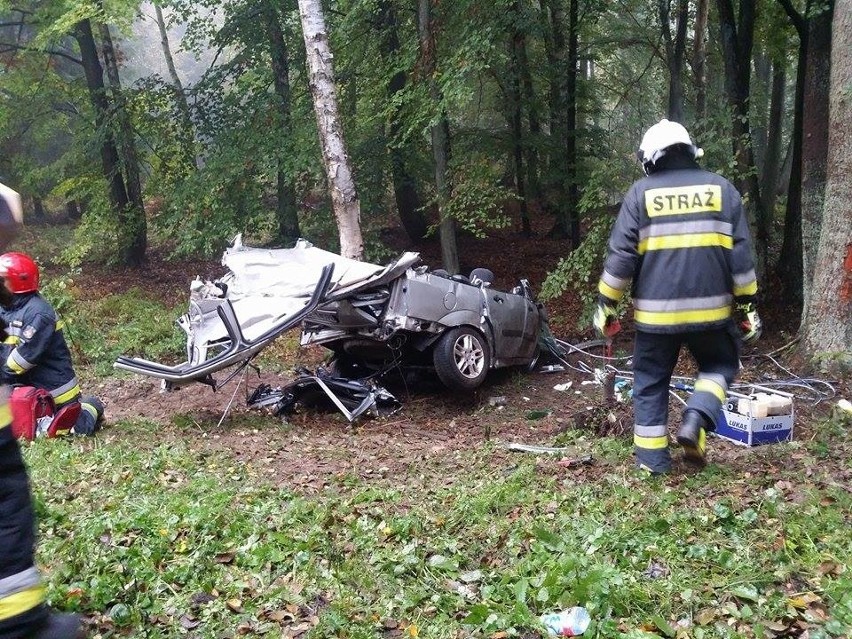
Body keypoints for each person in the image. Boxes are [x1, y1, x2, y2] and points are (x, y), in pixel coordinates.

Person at [593, 119, 761, 474]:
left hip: (656, 318)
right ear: (689, 150)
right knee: (719, 365)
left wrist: (607, 303)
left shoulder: (640, 194)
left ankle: (653, 463)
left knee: (650, 382)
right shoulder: (723, 190)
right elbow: (742, 257)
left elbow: (622, 257)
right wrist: (747, 303)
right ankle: (697, 417)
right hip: (712, 314)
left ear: (652, 157)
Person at [0, 185, 84, 639]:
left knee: (63, 424)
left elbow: (18, 362)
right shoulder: (11, 305)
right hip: (26, 392)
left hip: (52, 393)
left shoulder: (39, 313)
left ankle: (86, 414)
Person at [0, 252, 104, 437]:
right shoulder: (6, 308)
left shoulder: (39, 314)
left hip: (55, 391)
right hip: (25, 387)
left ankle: (90, 407)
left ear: (19, 282)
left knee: (69, 432)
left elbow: (22, 360)